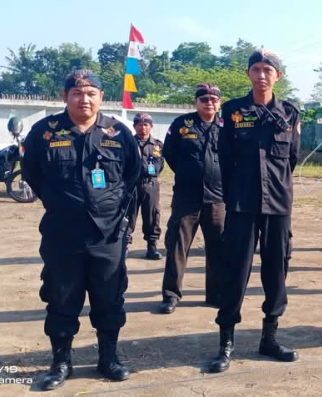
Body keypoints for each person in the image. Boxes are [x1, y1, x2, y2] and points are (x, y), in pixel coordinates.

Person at [21, 70, 139, 390]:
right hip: (63, 233)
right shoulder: (45, 132)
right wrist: (60, 203)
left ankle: (108, 358)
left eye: (90, 93)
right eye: (76, 93)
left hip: (107, 234)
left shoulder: (119, 132)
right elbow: (32, 173)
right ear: (65, 96)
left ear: (101, 97)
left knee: (110, 297)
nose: (83, 99)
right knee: (61, 297)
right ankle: (61, 362)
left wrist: (117, 215)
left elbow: (132, 176)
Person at [211, 49, 300, 372]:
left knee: (276, 270)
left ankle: (269, 338)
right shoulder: (233, 111)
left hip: (278, 203)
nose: (262, 75)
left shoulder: (290, 113)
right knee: (235, 271)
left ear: (277, 75)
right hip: (242, 203)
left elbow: (292, 158)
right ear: (248, 74)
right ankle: (226, 342)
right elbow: (223, 159)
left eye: (267, 69)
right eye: (256, 69)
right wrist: (233, 194)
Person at [158, 83, 227, 314]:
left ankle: (216, 294)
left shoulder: (227, 125)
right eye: (204, 99)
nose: (209, 103)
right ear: (196, 102)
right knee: (177, 246)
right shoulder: (182, 124)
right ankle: (170, 295)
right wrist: (189, 173)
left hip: (217, 197)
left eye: (213, 99)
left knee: (218, 247)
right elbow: (170, 154)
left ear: (219, 102)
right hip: (187, 198)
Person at [127, 113, 164, 259]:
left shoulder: (157, 145)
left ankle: (152, 247)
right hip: (132, 184)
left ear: (151, 126)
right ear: (134, 126)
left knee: (152, 215)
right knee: (128, 214)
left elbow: (161, 164)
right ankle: (124, 245)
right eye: (139, 125)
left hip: (150, 183)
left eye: (146, 124)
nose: (143, 127)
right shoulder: (129, 143)